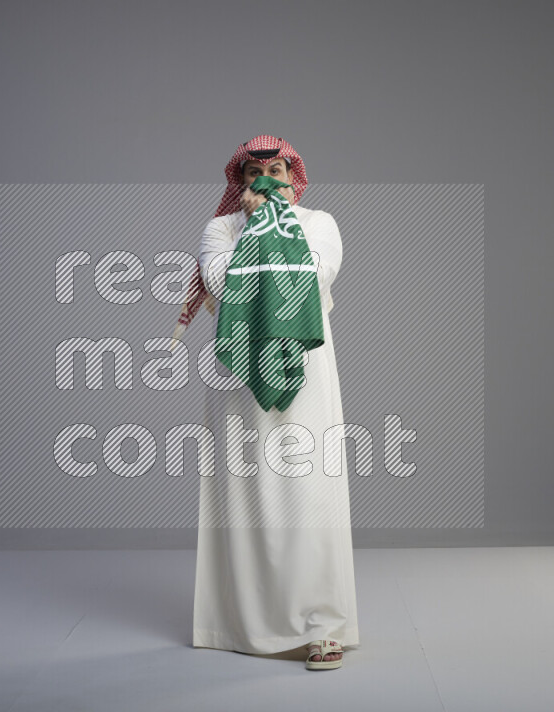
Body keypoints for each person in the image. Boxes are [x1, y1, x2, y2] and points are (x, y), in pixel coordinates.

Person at [175, 135, 359, 670]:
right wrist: (254, 224)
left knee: (310, 490)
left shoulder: (319, 224)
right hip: (236, 378)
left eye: (276, 168)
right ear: (240, 177)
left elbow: (313, 276)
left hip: (304, 374)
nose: (267, 178)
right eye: (255, 170)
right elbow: (221, 283)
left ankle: (322, 625)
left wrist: (273, 221)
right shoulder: (219, 229)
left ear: (291, 173)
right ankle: (242, 621)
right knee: (246, 492)